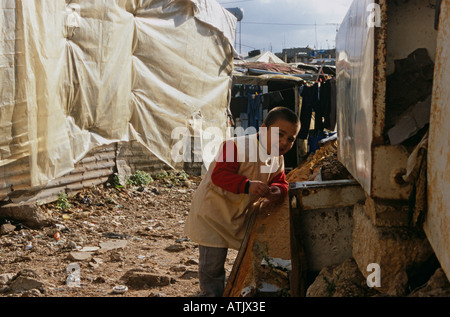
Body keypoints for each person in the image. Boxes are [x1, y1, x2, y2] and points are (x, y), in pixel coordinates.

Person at [184, 106, 300, 297]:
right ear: (263, 129)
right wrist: (247, 186)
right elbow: (219, 175)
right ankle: (210, 296)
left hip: (238, 216)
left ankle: (233, 291)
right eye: (279, 134)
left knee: (246, 258)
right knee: (212, 265)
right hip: (212, 214)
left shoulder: (277, 159)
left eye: (290, 139)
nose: (284, 142)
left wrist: (277, 191)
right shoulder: (235, 146)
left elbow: (281, 181)